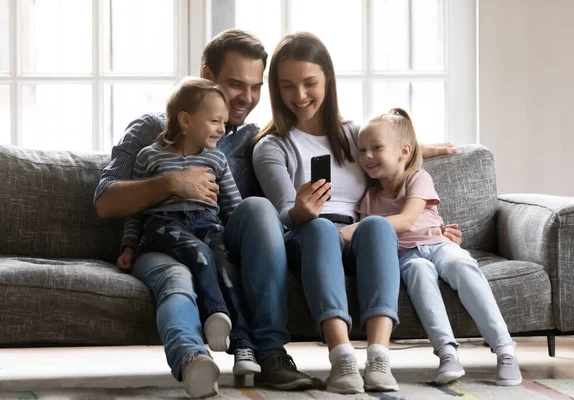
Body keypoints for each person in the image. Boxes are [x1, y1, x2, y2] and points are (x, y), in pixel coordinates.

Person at [94, 30, 313, 398]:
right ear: (205, 76)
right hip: (166, 242)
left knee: (257, 207)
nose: (247, 97)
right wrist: (172, 183)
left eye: (256, 87)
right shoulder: (153, 129)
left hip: (219, 241)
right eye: (235, 84)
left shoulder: (255, 139)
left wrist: (411, 153)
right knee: (177, 276)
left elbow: (335, 139)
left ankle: (271, 353)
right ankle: (194, 361)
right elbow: (105, 200)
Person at [252, 31, 462, 394]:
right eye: (287, 86)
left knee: (378, 225)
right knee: (319, 228)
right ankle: (343, 358)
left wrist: (423, 156)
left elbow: (389, 154)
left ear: (328, 81)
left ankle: (379, 356)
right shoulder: (272, 146)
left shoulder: (354, 135)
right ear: (275, 88)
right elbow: (285, 212)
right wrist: (302, 211)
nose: (299, 96)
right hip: (307, 237)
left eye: (309, 83)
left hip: (357, 233)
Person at [348, 107, 522, 387]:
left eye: (376, 148)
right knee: (418, 272)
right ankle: (447, 353)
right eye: (362, 149)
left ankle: (504, 349)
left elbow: (406, 220)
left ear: (403, 151)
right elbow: (375, 242)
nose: (367, 156)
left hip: (438, 243)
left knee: (460, 264)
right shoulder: (369, 198)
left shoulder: (417, 178)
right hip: (406, 256)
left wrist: (351, 230)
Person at [115, 78, 263, 397]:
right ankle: (206, 330)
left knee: (223, 263)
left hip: (207, 225)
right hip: (164, 226)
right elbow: (136, 210)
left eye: (224, 122)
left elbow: (234, 209)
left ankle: (243, 345)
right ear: (185, 120)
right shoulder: (149, 157)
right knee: (199, 255)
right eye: (214, 121)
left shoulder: (216, 160)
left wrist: (239, 244)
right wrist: (128, 245)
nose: (222, 129)